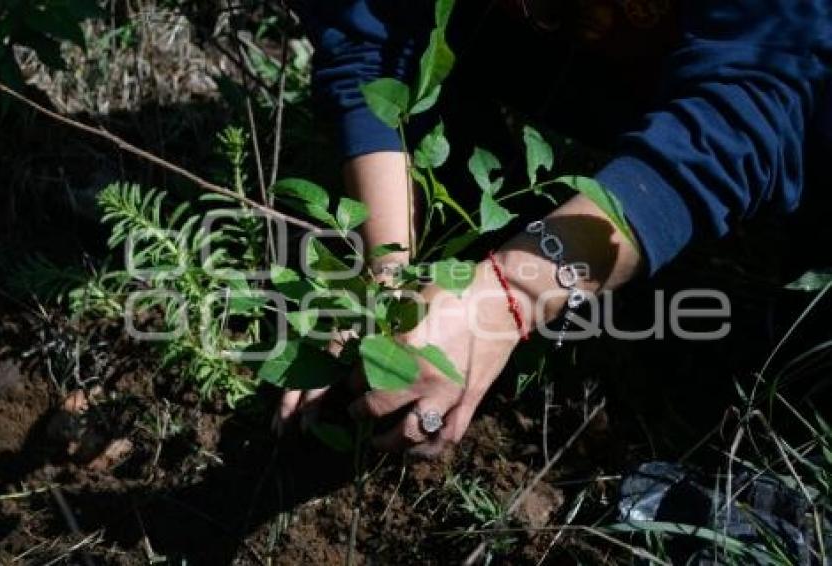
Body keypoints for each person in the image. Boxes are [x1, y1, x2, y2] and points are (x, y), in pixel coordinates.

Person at [278, 0, 832, 457]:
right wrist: (388, 275)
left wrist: (507, 295)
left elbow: (741, 116)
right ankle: (475, 227)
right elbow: (366, 35)